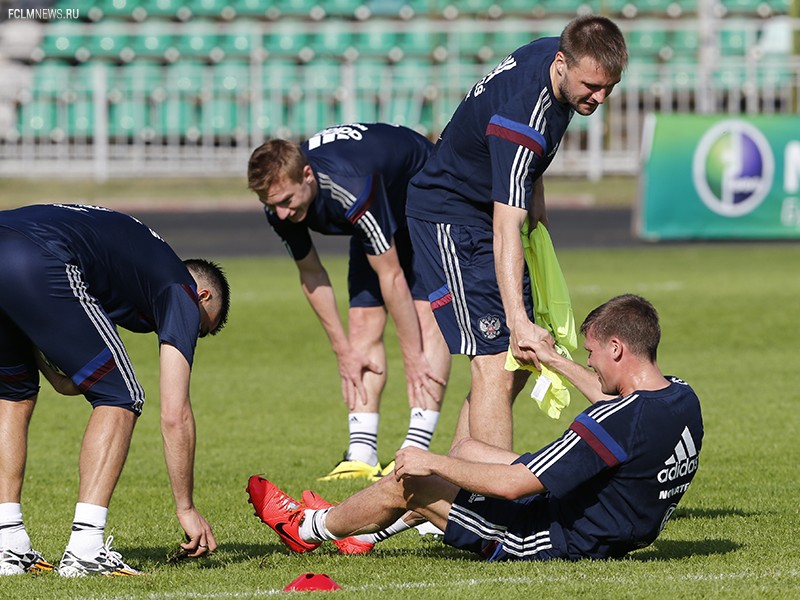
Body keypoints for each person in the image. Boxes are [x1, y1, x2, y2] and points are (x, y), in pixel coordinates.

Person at [248, 295, 703, 561]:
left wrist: (430, 461)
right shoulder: (681, 397)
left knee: (412, 481)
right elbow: (615, 404)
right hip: (606, 520)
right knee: (468, 446)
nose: (588, 361)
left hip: (551, 537)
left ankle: (307, 527)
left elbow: (513, 486)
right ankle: (365, 532)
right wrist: (552, 360)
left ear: (618, 348)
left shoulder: (615, 419)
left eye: (592, 352)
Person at [405, 15, 628, 451]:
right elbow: (506, 225)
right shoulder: (522, 121)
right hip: (451, 219)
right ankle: (490, 506)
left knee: (515, 363)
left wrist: (538, 226)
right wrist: (518, 320)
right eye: (591, 87)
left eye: (609, 88)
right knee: (497, 358)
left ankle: (449, 494)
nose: (599, 98)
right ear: (562, 63)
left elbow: (528, 181)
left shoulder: (556, 56)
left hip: (480, 212)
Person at [0, 204, 230, 577]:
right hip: (42, 254)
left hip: (12, 240)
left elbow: (72, 374)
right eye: (199, 330)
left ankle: (7, 545)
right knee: (123, 395)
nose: (189, 336)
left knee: (14, 394)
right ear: (201, 296)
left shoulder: (132, 271)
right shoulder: (180, 289)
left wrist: (42, 365)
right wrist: (185, 507)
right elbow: (175, 414)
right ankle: (86, 549)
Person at [247, 123, 451, 481]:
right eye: (271, 205)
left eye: (286, 202)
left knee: (424, 319)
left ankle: (416, 446)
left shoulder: (352, 189)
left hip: (426, 199)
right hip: (377, 212)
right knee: (360, 325)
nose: (280, 214)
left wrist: (412, 356)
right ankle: (361, 452)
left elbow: (392, 276)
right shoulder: (279, 204)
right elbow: (312, 274)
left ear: (307, 176)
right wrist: (341, 350)